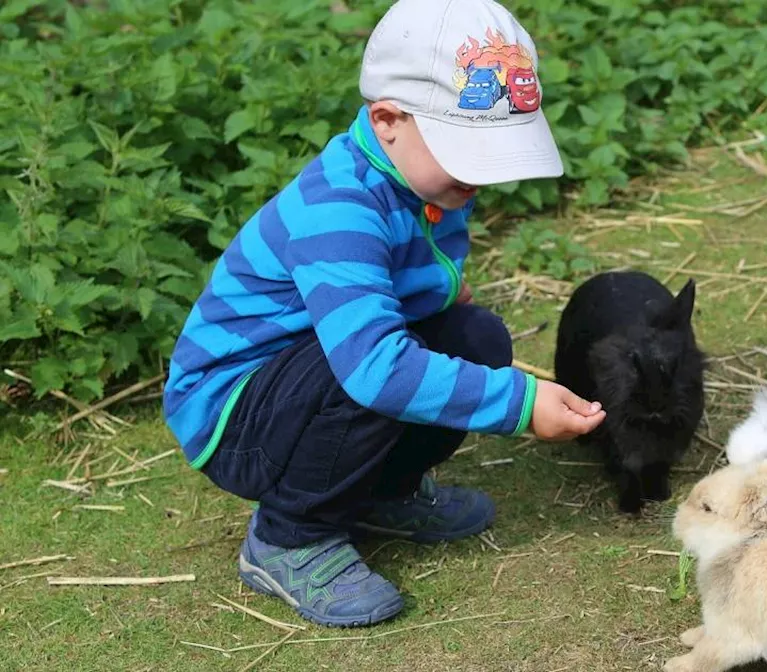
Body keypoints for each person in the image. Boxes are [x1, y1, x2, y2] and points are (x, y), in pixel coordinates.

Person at [161, 0, 605, 627]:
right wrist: (522, 404)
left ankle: (376, 493)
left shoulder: (428, 182)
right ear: (389, 119)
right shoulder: (337, 208)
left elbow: (416, 287)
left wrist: (444, 302)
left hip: (306, 374)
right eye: (468, 152)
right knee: (377, 372)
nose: (481, 178)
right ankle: (290, 537)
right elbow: (374, 367)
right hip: (235, 419)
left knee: (472, 336)